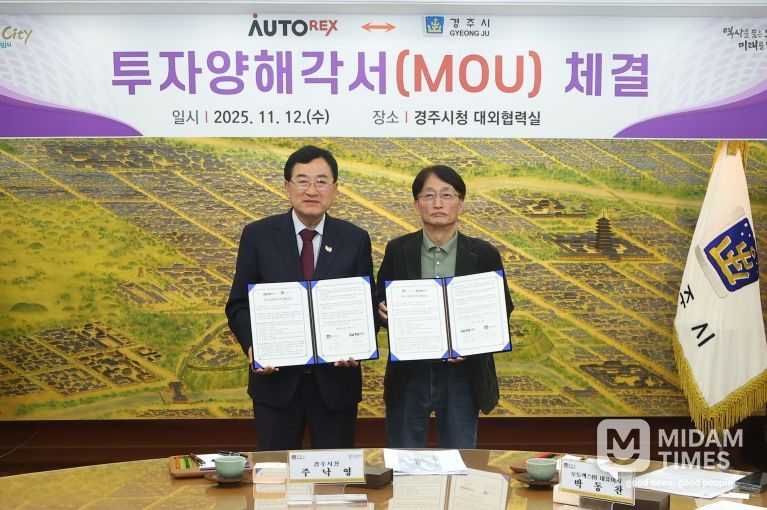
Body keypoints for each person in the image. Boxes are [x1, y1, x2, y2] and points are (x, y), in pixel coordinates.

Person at [225, 145, 374, 450]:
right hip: (275, 386)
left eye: (321, 181)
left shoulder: (355, 239)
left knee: (335, 474)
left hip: (336, 387)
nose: (312, 190)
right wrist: (254, 347)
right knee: (275, 472)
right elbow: (238, 305)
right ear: (287, 186)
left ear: (335, 188)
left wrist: (357, 347)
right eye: (303, 180)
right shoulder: (257, 235)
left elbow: (365, 305)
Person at [376, 165, 513, 449]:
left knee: (460, 461)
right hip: (409, 374)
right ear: (417, 205)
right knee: (404, 460)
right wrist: (382, 311)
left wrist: (472, 342)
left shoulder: (483, 253)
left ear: (460, 203)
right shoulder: (398, 250)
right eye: (429, 196)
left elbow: (502, 309)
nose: (438, 203)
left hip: (463, 375)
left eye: (447, 195)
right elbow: (381, 300)